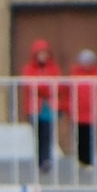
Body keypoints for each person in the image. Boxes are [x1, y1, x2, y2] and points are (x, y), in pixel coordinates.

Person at [19, 38, 62, 172]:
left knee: (47, 134)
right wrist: (45, 87)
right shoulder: (29, 68)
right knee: (38, 135)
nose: (43, 56)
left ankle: (46, 160)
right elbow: (30, 86)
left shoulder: (54, 68)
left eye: (45, 53)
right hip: (34, 107)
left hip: (48, 107)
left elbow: (58, 85)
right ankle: (40, 160)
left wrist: (43, 88)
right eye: (40, 53)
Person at [68, 49, 97, 168]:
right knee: (79, 136)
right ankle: (80, 159)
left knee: (93, 136)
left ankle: (90, 160)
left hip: (93, 112)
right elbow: (67, 92)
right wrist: (68, 106)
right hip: (78, 112)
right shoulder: (74, 74)